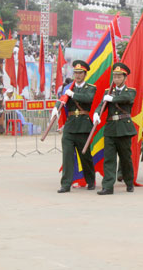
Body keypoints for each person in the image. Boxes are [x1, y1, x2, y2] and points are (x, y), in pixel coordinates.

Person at [50, 60, 96, 193]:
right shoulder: (68, 88)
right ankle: (66, 184)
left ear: (85, 74)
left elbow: (88, 99)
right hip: (70, 126)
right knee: (67, 156)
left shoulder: (90, 88)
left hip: (83, 125)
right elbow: (62, 100)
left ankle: (90, 180)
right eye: (75, 73)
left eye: (80, 73)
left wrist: (74, 95)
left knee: (85, 156)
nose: (77, 75)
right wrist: (55, 108)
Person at [96, 62, 136, 195]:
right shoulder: (108, 92)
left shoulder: (130, 91)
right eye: (115, 76)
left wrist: (112, 98)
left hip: (124, 128)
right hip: (111, 129)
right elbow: (102, 105)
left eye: (119, 76)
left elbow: (127, 99)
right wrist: (97, 113)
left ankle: (129, 182)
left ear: (125, 78)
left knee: (126, 158)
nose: (117, 79)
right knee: (109, 159)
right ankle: (107, 186)